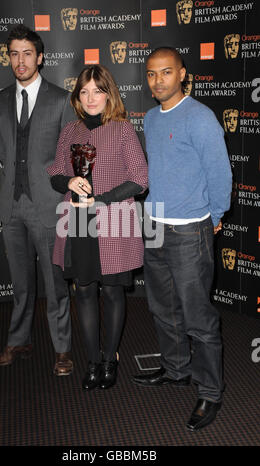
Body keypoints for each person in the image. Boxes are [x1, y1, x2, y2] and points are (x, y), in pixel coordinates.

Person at [131, 47, 232, 431]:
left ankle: (210, 392)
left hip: (190, 230)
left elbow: (221, 175)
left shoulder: (201, 118)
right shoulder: (152, 118)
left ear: (183, 74)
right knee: (162, 308)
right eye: (152, 74)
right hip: (154, 226)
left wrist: (215, 217)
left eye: (166, 72)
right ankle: (176, 370)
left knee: (198, 317)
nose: (158, 80)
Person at [47, 65, 148, 390]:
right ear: (77, 96)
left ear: (109, 94)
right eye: (84, 91)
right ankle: (92, 361)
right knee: (86, 292)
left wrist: (101, 200)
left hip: (113, 221)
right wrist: (68, 180)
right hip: (77, 222)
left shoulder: (121, 130)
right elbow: (56, 174)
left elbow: (140, 180)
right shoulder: (70, 131)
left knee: (114, 293)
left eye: (97, 91)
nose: (91, 98)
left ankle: (109, 359)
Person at [0, 25, 75, 376]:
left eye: (27, 53)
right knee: (20, 282)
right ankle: (18, 340)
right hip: (12, 205)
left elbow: (69, 154)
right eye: (13, 54)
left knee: (55, 283)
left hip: (49, 206)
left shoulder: (60, 99)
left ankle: (63, 349)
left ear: (40, 57)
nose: (20, 61)